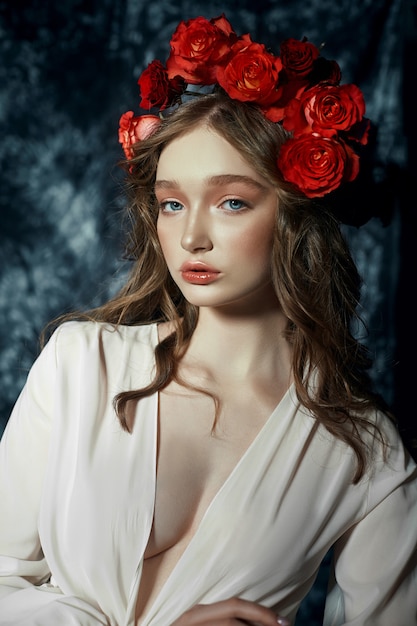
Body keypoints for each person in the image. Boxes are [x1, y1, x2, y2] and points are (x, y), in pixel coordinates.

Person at [0, 13, 416, 626]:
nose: (191, 235)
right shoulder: (80, 363)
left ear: (295, 215)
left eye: (231, 202)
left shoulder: (367, 452)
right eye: (171, 203)